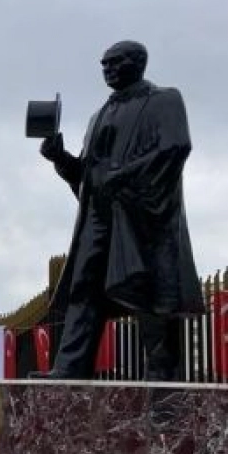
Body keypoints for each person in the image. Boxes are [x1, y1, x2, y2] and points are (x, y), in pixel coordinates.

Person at [38, 40, 204, 380]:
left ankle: (162, 373)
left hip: (142, 216)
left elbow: (175, 148)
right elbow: (87, 177)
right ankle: (69, 368)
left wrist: (124, 175)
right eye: (104, 64)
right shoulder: (97, 116)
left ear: (139, 62)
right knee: (84, 288)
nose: (108, 69)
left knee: (147, 290)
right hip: (97, 217)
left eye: (115, 62)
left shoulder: (163, 99)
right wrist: (60, 158)